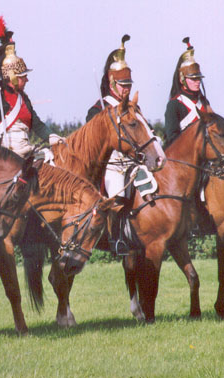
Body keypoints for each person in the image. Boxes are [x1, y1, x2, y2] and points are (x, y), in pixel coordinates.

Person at [85, 35, 157, 256]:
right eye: (122, 85)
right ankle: (116, 239)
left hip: (134, 162)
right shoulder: (98, 109)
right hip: (113, 164)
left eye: (128, 85)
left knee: (154, 186)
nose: (126, 89)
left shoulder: (134, 108)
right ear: (111, 82)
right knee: (117, 195)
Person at [0, 16, 62, 158]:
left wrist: (53, 137)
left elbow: (37, 125)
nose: (27, 80)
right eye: (23, 77)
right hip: (5, 157)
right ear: (12, 77)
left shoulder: (24, 99)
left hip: (27, 151)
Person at [163, 37, 210, 147]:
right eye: (193, 79)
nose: (197, 82)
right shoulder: (174, 104)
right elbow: (172, 137)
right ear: (182, 80)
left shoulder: (203, 101)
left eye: (198, 78)